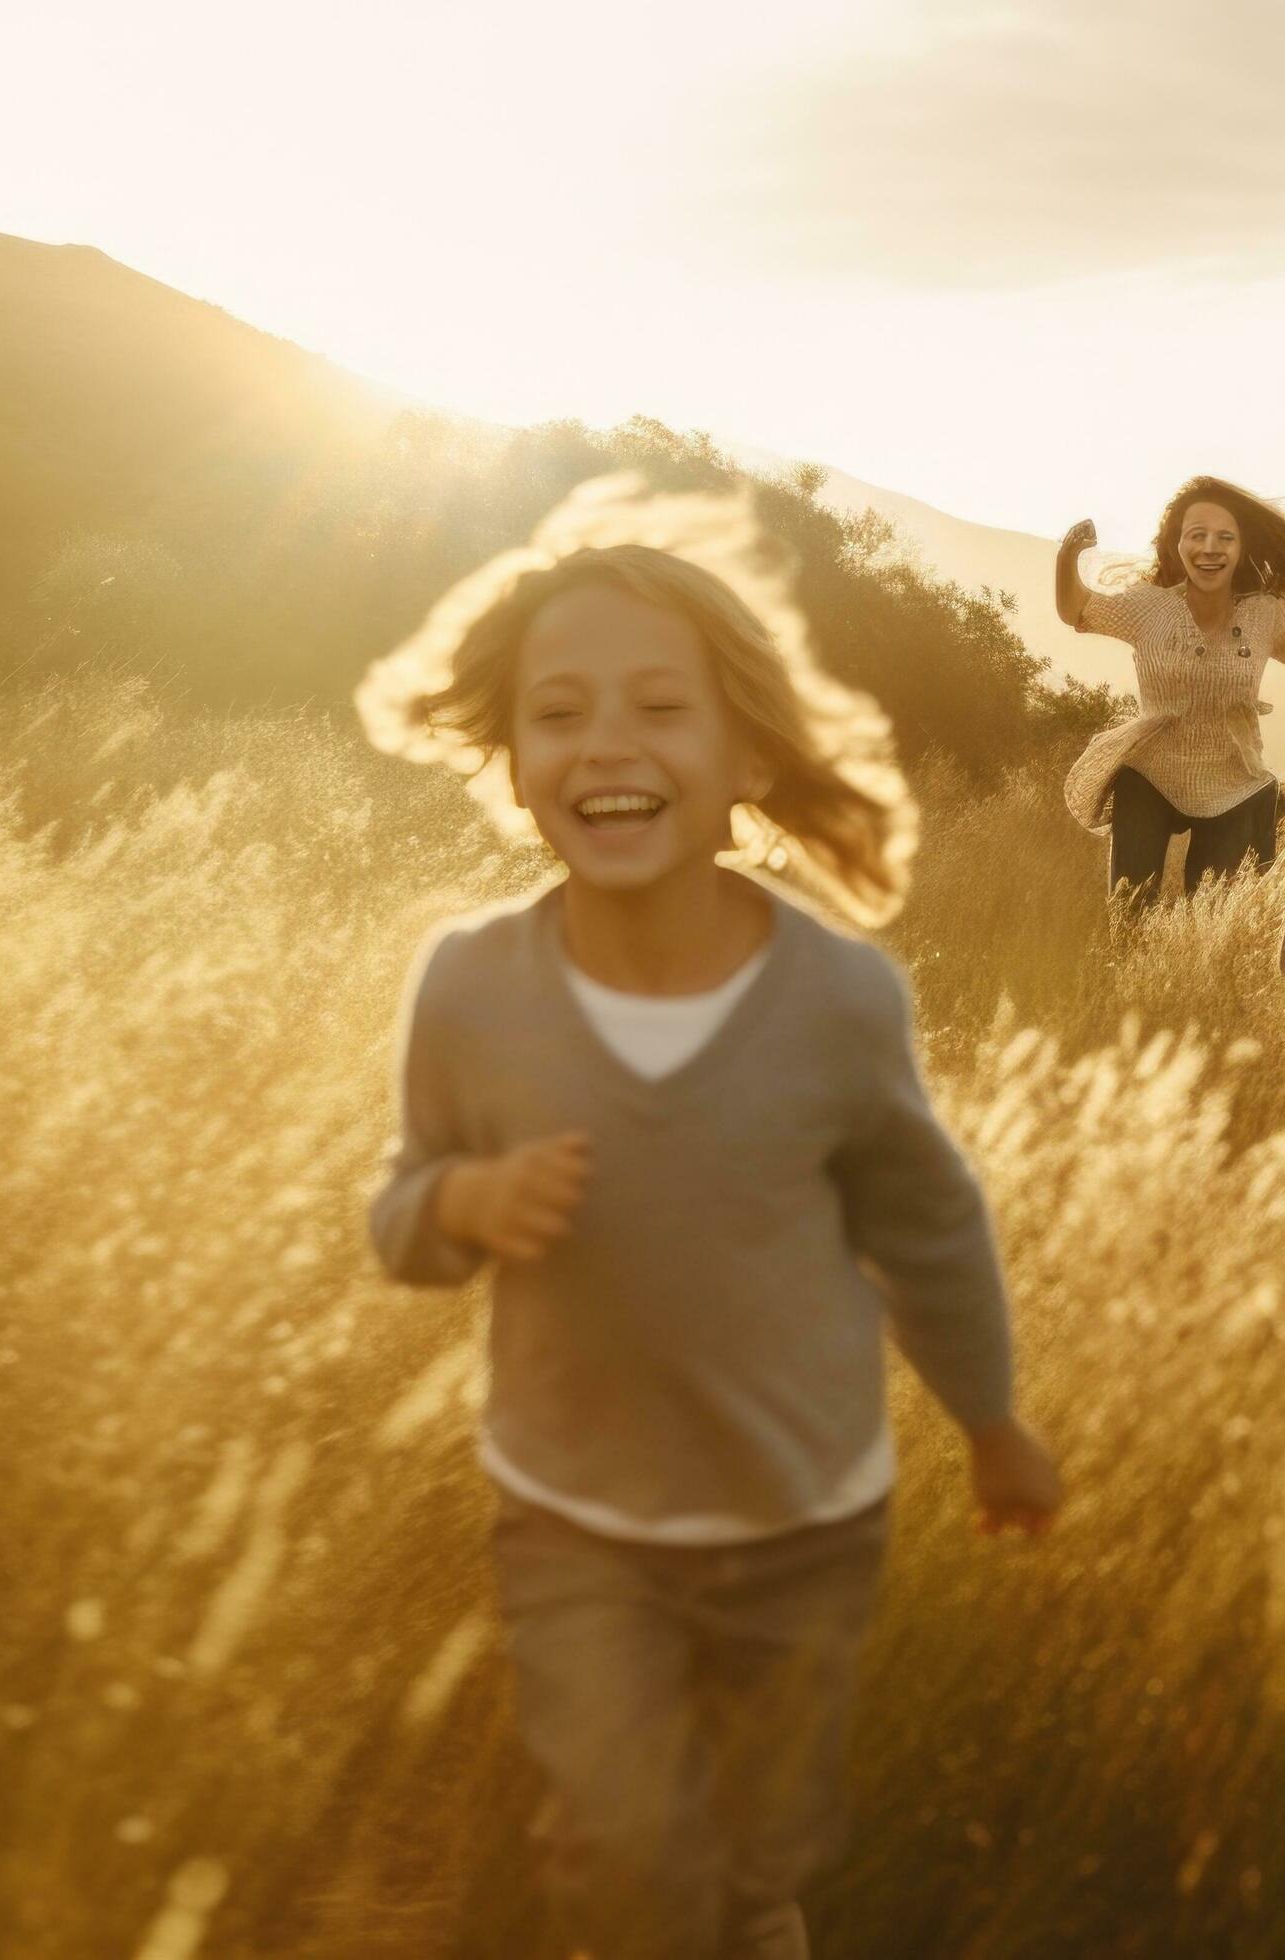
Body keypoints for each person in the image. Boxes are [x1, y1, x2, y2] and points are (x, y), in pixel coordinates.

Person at [356, 488, 1065, 1959]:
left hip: (796, 1519)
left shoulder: (834, 1000)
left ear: (746, 753)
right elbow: (403, 1215)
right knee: (620, 1851)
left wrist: (990, 1421)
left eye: (659, 708)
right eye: (559, 712)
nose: (606, 745)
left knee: (745, 1877)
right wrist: (470, 1202)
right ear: (509, 761)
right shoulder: (472, 986)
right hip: (571, 1513)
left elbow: (927, 1227)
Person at [1054, 477, 1285, 905]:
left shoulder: (1266, 612)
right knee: (1131, 912)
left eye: (1225, 537)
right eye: (1197, 535)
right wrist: (1067, 555)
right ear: (1177, 544)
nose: (1210, 547)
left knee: (1217, 912)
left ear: (1241, 548)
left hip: (1233, 776)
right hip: (1152, 770)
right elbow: (1075, 609)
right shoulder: (1147, 606)